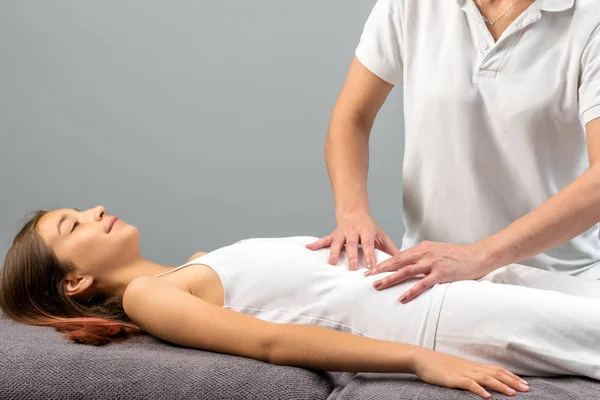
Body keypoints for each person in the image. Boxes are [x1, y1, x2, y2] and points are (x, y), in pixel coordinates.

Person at [2, 207, 600, 398]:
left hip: (448, 275)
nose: (95, 210)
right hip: (433, 314)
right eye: (73, 226)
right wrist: (419, 360)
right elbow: (272, 343)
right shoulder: (148, 297)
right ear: (75, 282)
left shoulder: (200, 260)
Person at [307, 0, 600, 303]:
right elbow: (352, 118)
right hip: (432, 281)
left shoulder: (590, 19)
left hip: (555, 285)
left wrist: (480, 255)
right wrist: (353, 213)